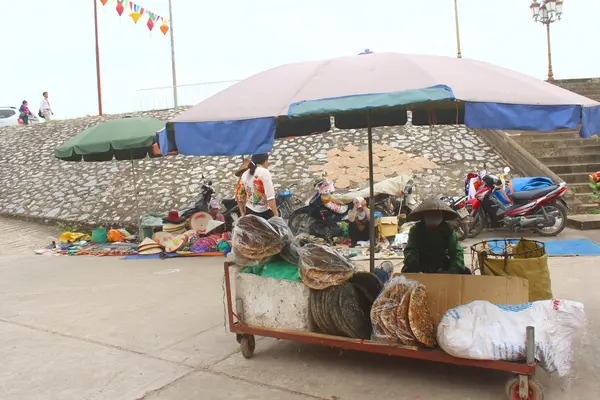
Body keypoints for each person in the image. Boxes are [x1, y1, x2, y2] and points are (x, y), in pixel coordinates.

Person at [401, 197, 470, 274]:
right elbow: (411, 249)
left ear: (442, 216)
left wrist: (454, 268)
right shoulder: (416, 230)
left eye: (437, 214)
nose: (433, 217)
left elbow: (456, 251)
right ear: (423, 216)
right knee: (406, 271)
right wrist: (413, 263)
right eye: (430, 214)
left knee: (465, 271)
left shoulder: (447, 229)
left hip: (441, 263)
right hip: (421, 263)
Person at [235, 153, 279, 219]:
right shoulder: (264, 172)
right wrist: (276, 214)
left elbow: (239, 196)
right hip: (264, 213)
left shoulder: (245, 174)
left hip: (249, 211)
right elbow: (270, 197)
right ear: (265, 161)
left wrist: (242, 212)